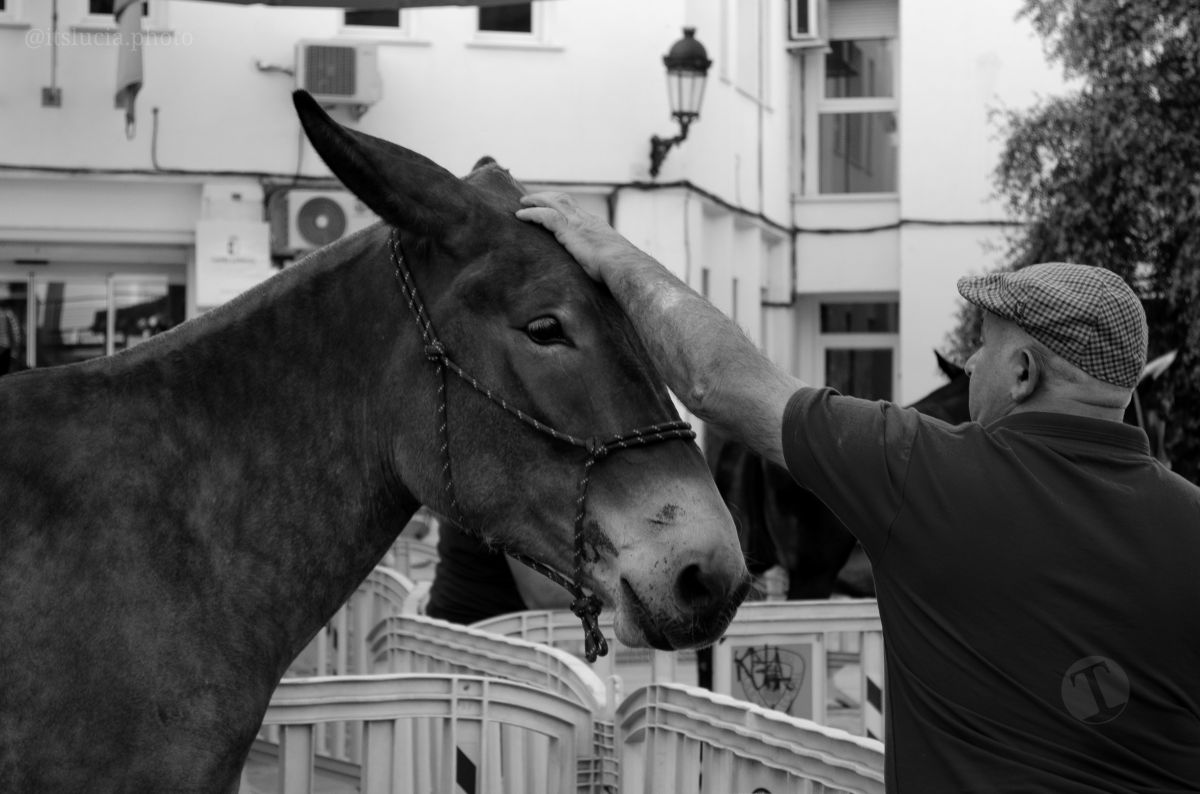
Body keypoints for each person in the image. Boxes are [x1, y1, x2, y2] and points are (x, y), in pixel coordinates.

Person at [517, 193, 1200, 793]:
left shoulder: (922, 471)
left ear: (1022, 372)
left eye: (984, 347)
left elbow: (716, 384)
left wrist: (615, 257)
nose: (971, 364)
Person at [425, 517, 575, 625]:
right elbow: (543, 595)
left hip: (448, 628)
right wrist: (597, 590)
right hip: (479, 640)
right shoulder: (508, 490)